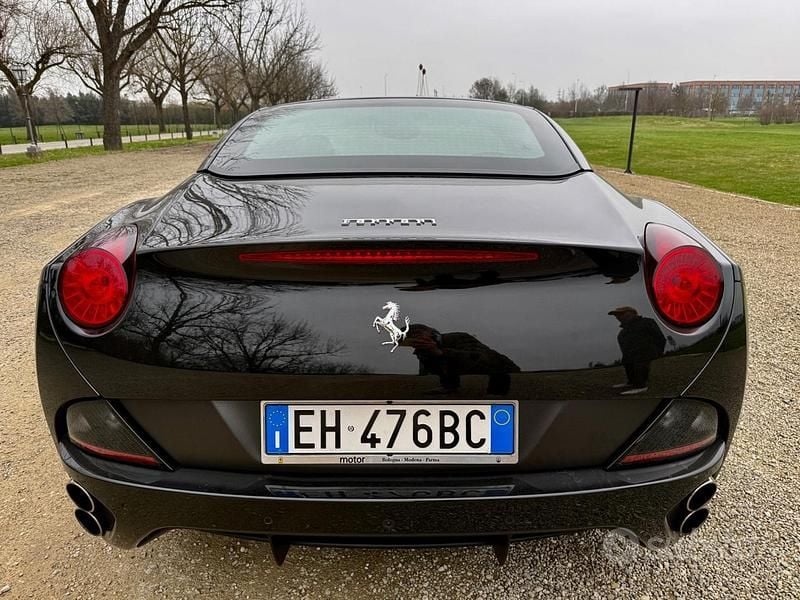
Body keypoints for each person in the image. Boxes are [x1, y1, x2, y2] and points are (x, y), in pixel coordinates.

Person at [401, 324, 520, 396]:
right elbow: (432, 370)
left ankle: (496, 393)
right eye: (413, 341)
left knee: (496, 384)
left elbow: (478, 358)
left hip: (501, 372)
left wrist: (439, 351)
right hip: (463, 371)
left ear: (434, 334)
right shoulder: (424, 352)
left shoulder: (459, 337)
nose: (419, 343)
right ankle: (449, 386)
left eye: (420, 337)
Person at [608, 306, 666, 395]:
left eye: (621, 314)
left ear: (632, 313)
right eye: (616, 315)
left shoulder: (647, 322)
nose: (618, 317)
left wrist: (658, 351)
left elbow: (660, 337)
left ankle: (641, 385)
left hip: (645, 353)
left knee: (640, 361)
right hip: (631, 355)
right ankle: (631, 382)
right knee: (628, 362)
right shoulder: (623, 332)